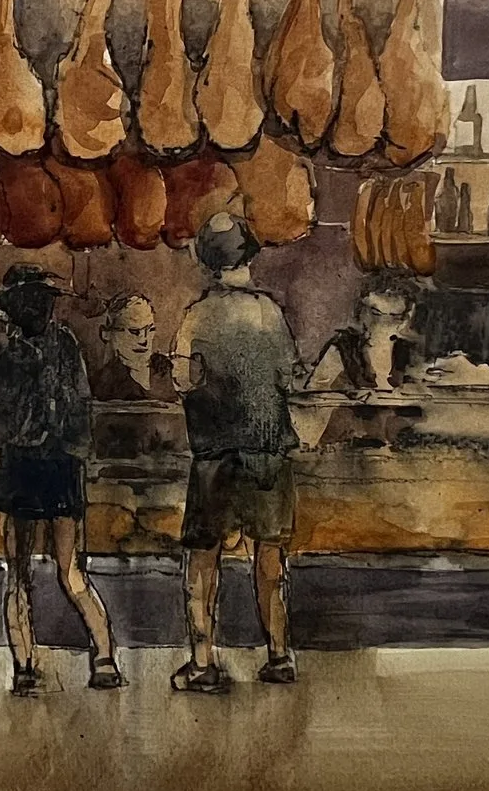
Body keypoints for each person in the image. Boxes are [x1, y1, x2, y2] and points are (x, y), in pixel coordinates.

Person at [169, 213, 303, 692]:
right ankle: (279, 655)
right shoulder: (271, 314)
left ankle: (203, 663)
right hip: (268, 452)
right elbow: (289, 378)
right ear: (249, 257)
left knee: (204, 561)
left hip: (216, 455)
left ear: (207, 262)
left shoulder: (196, 316)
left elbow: (182, 380)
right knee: (269, 560)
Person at [0, 266, 124, 696]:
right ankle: (104, 658)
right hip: (62, 467)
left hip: (21, 468)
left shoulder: (9, 360)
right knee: (71, 572)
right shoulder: (68, 347)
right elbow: (82, 408)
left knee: (18, 574)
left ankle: (25, 666)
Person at [307, 272, 423, 392]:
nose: (383, 323)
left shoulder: (408, 352)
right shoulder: (344, 349)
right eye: (376, 313)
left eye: (394, 316)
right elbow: (314, 392)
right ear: (361, 311)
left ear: (405, 317)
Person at [90, 292, 177, 401]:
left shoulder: (163, 369)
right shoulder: (105, 383)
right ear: (106, 334)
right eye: (134, 331)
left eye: (150, 330)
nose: (143, 340)